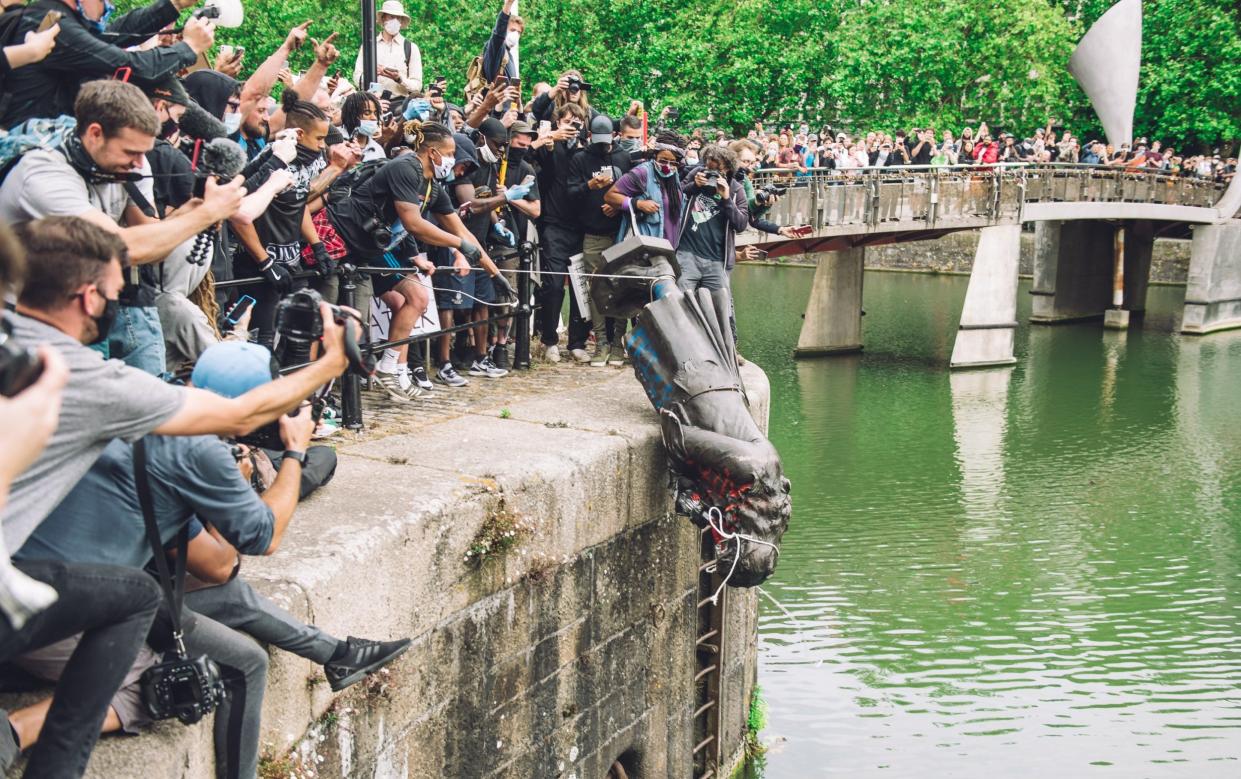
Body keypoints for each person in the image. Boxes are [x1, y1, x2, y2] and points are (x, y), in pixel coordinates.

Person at [14, 341, 410, 779]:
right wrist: (294, 452)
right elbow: (237, 554)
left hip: (61, 580)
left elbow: (195, 553)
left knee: (236, 613)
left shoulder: (146, 408)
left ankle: (335, 653)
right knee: (181, 683)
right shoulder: (196, 452)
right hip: (66, 614)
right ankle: (13, 730)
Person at [1, 216, 354, 558]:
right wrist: (331, 364)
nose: (118, 304)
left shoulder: (12, 342)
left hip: (36, 544)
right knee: (137, 596)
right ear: (89, 298)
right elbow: (241, 417)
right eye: (116, 294)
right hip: (19, 571)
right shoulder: (82, 375)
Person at [0, 222, 163, 778]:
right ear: (87, 295)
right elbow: (227, 557)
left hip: (27, 586)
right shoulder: (60, 377)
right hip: (21, 600)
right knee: (143, 607)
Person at [0, 79, 246, 375]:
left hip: (91, 307)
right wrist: (205, 215)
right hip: (25, 318)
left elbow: (152, 241)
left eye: (145, 152)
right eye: (131, 152)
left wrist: (191, 210)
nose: (140, 163)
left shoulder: (128, 161)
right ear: (95, 134)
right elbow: (121, 247)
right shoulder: (43, 174)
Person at [0, 0, 215, 129]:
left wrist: (173, 5)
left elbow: (111, 37)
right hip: (22, 156)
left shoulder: (59, 18)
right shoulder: (55, 25)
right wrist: (189, 47)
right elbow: (131, 67)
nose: (108, 7)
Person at [567, 114, 628, 366]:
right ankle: (601, 341)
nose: (603, 145)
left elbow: (634, 191)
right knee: (596, 289)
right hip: (592, 233)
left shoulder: (623, 157)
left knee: (622, 287)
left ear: (615, 136)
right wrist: (589, 186)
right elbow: (570, 194)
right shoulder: (580, 159)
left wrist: (618, 207)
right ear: (589, 135)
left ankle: (617, 343)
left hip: (620, 233)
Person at [529, 103, 587, 362]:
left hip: (581, 226)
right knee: (553, 285)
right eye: (568, 121)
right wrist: (551, 138)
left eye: (578, 121)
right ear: (558, 121)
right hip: (553, 223)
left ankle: (577, 342)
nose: (573, 126)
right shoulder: (550, 145)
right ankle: (549, 339)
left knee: (579, 287)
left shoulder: (588, 150)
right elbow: (541, 169)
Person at [352, 0, 422, 97]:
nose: (395, 20)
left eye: (398, 18)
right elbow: (357, 78)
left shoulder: (411, 48)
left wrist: (399, 79)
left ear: (401, 21)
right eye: (391, 16)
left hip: (400, 106)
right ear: (383, 18)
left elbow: (417, 86)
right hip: (373, 104)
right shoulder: (368, 46)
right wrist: (372, 73)